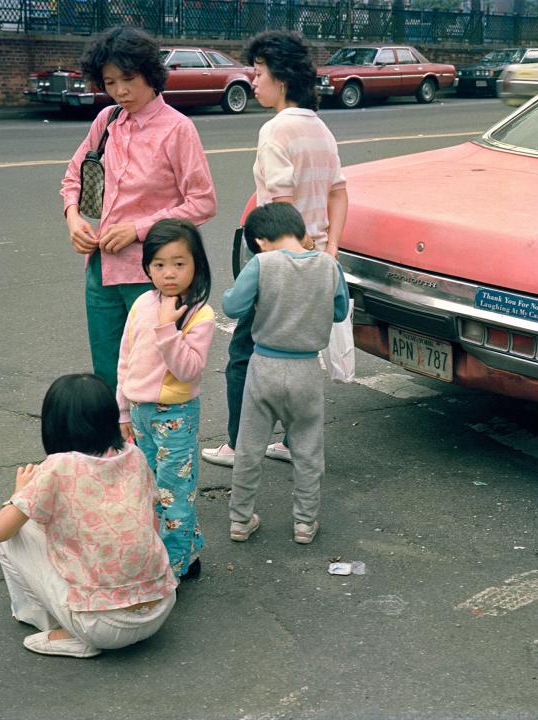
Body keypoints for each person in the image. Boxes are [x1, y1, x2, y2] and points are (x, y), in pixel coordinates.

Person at [201, 30, 347, 469]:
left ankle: (236, 443)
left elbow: (280, 203)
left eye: (259, 73)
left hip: (275, 257)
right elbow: (338, 193)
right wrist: (329, 248)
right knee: (300, 350)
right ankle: (289, 440)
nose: (254, 82)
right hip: (318, 256)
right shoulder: (320, 128)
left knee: (246, 352)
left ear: (280, 78)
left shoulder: (275, 130)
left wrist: (280, 252)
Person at [60, 25, 216, 394]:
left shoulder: (177, 129)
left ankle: (152, 446)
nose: (120, 91)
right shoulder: (108, 121)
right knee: (107, 368)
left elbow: (203, 202)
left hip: (152, 271)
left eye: (128, 79)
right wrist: (73, 216)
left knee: (151, 372)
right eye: (110, 82)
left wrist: (138, 228)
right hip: (101, 267)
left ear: (150, 72)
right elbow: (73, 177)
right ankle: (115, 445)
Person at [0, 374, 177, 659]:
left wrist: (20, 492)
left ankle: (60, 628)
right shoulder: (134, 456)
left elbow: (0, 530)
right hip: (160, 607)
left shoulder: (58, 466)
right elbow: (150, 525)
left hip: (101, 627)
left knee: (11, 535)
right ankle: (75, 620)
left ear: (54, 425)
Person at [222, 203, 349, 545]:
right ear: (297, 229)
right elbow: (339, 312)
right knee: (307, 450)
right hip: (306, 369)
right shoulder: (328, 266)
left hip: (263, 366)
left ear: (260, 241)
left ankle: (240, 520)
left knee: (249, 449)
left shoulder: (262, 264)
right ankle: (305, 524)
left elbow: (232, 306)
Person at [117, 219, 214, 581]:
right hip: (140, 414)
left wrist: (167, 329)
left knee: (175, 493)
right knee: (152, 490)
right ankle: (188, 552)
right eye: (159, 264)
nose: (169, 273)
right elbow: (125, 357)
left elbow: (189, 369)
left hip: (175, 414)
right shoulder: (143, 303)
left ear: (196, 265)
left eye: (179, 263)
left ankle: (171, 569)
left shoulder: (199, 314)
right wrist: (122, 408)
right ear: (147, 268)